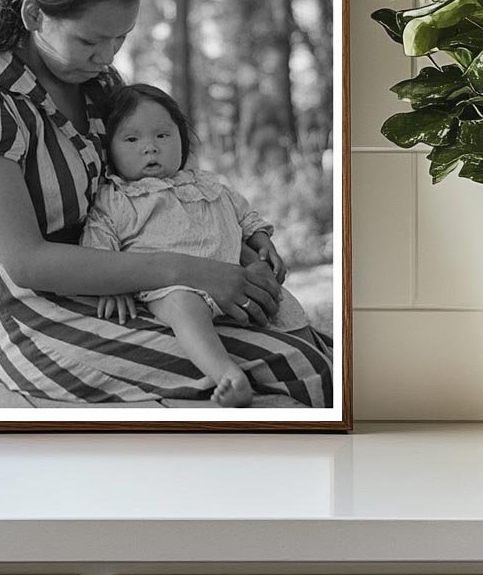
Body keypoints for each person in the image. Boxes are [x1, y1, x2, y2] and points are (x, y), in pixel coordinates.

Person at [0, 0, 332, 406]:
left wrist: (237, 250)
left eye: (120, 39)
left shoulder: (100, 87)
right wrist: (192, 271)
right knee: (296, 366)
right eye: (90, 40)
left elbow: (155, 192)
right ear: (34, 16)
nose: (107, 56)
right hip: (37, 306)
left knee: (312, 347)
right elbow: (28, 261)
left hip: (131, 281)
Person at [82, 83, 322, 408]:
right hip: (170, 288)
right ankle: (227, 375)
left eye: (162, 136)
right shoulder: (117, 198)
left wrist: (262, 241)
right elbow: (98, 248)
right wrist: (113, 285)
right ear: (110, 148)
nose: (150, 148)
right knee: (184, 306)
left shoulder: (208, 183)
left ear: (182, 138)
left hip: (232, 279)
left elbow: (243, 215)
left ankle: (316, 357)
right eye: (132, 139)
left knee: (279, 299)